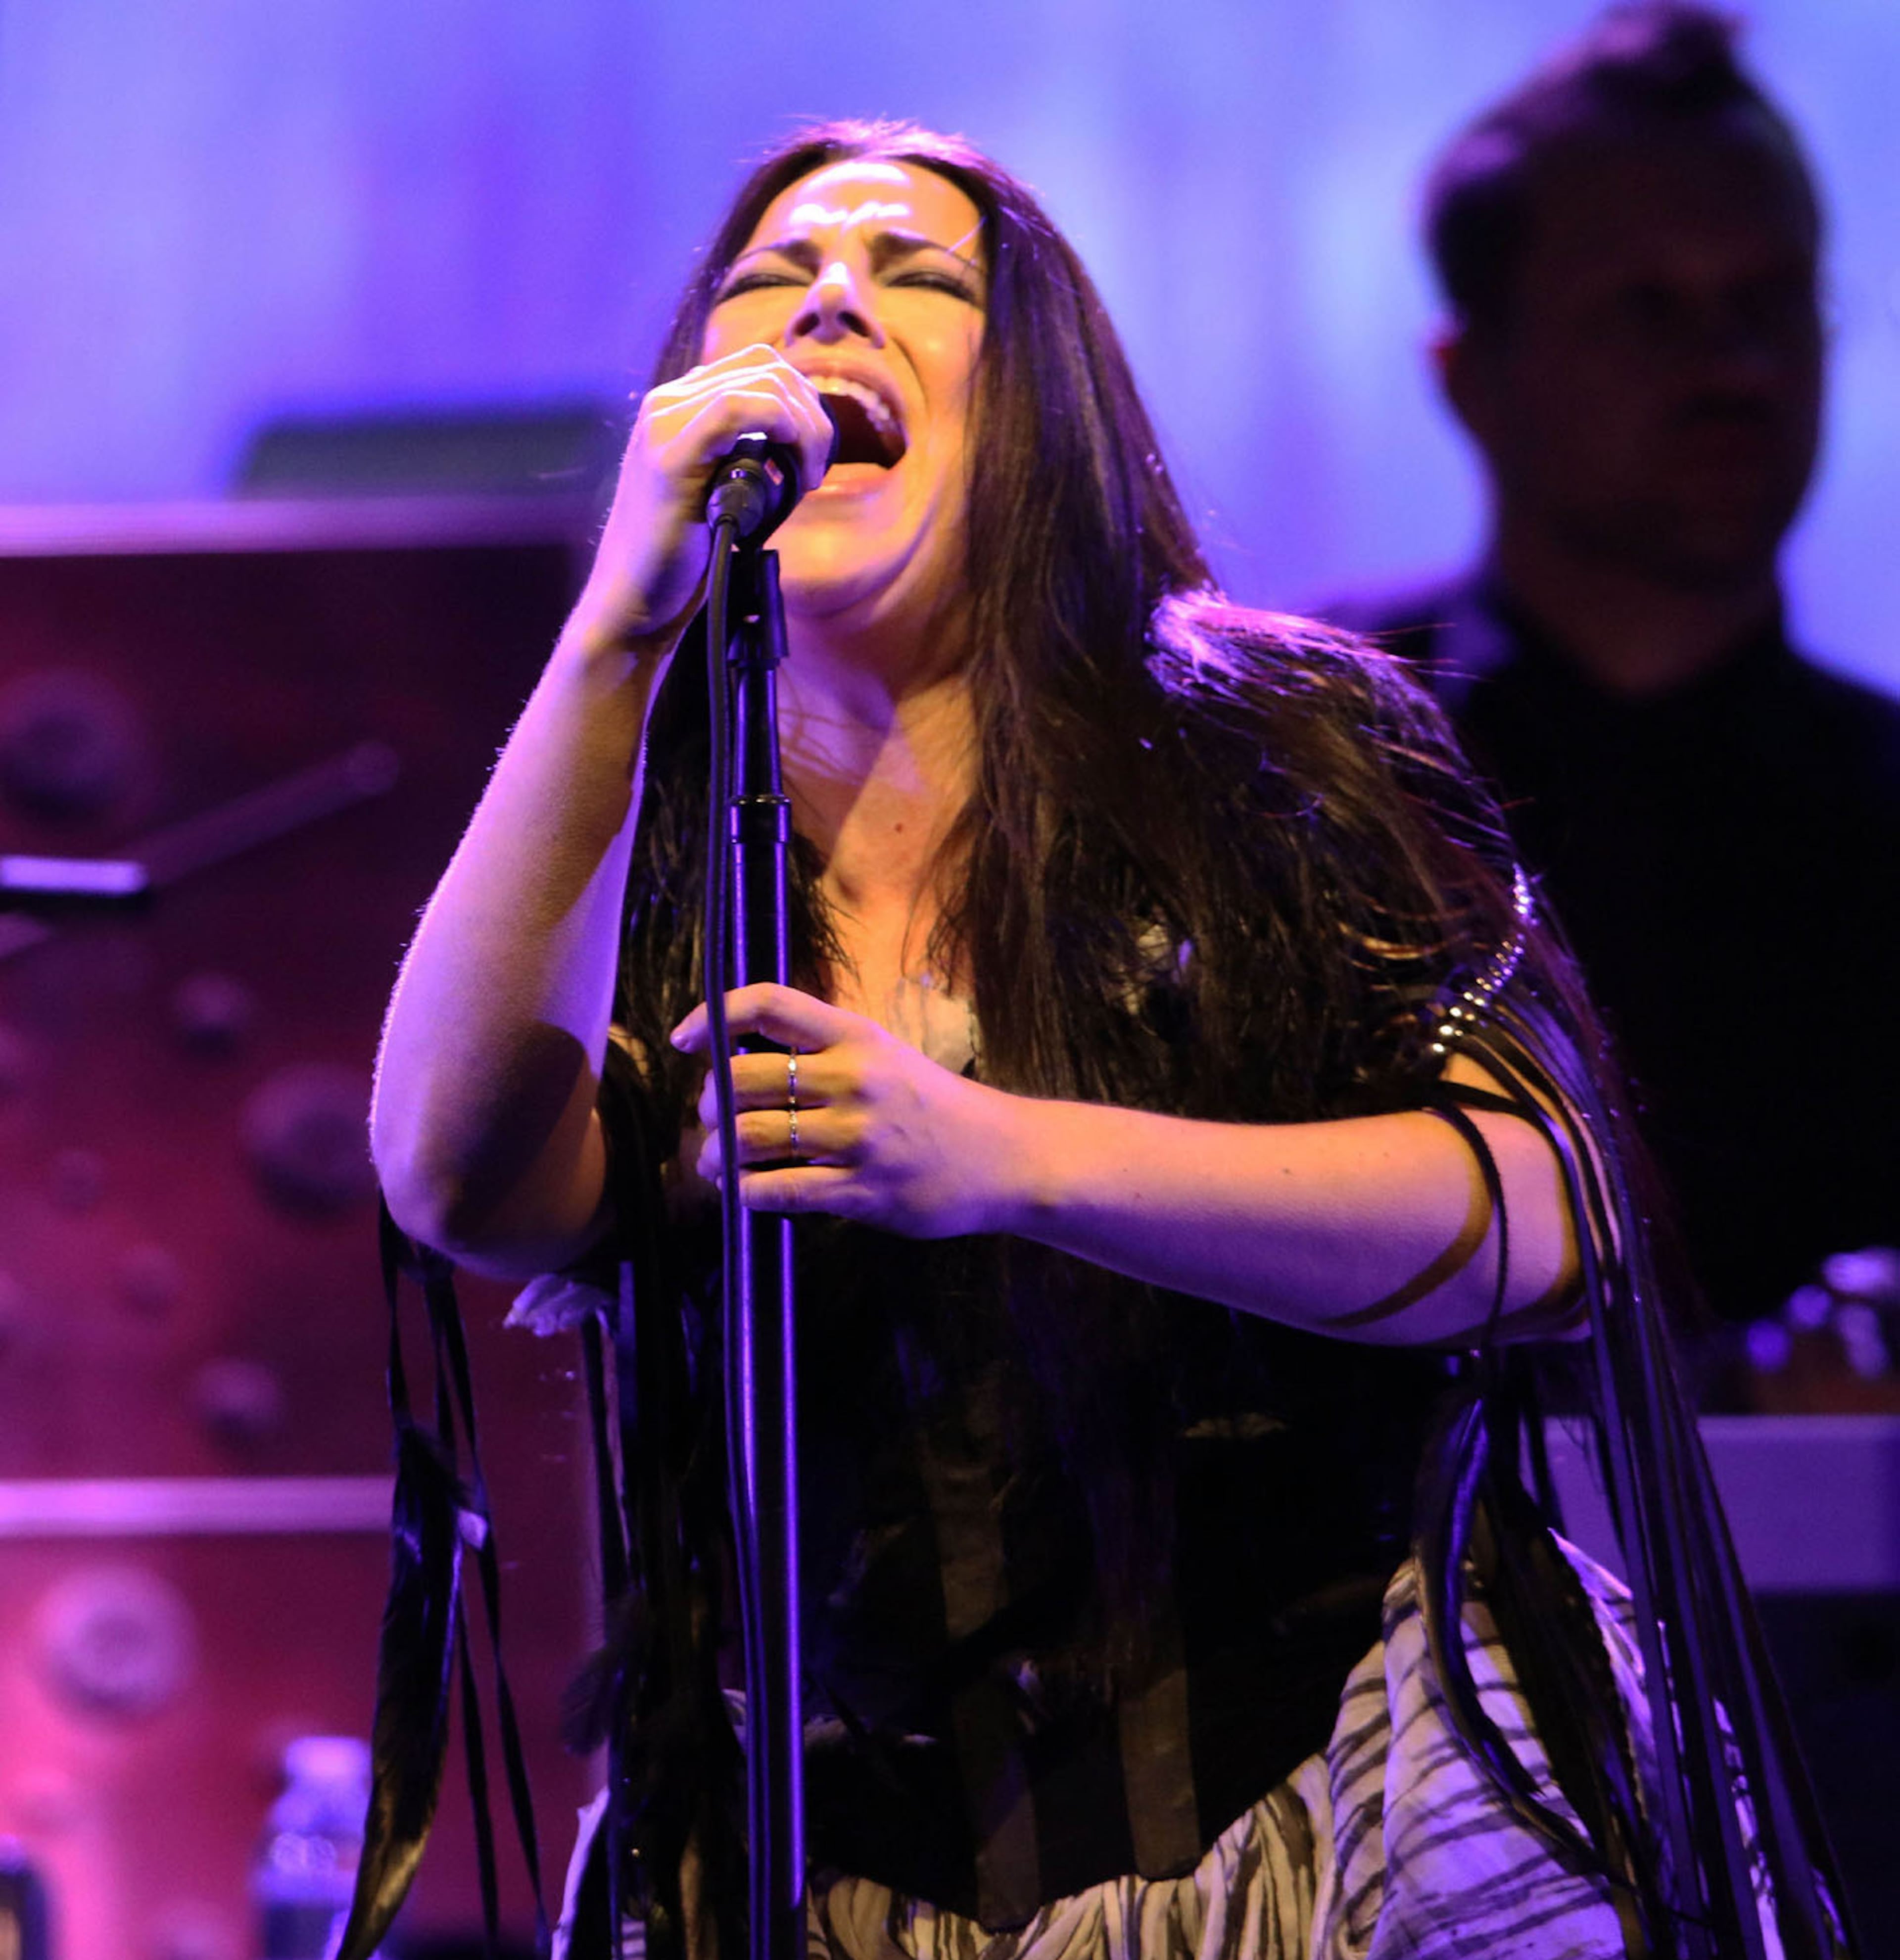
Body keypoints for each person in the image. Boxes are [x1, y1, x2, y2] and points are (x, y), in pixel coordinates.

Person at [360, 123, 1841, 1960]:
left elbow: (1551, 1212)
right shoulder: (633, 839)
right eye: (770, 276)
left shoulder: (1276, 753)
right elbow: (458, 1176)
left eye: (917, 274)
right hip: (836, 1882)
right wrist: (612, 629)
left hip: (1343, 1820)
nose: (829, 294)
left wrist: (997, 1154)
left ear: (1044, 405)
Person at [1326, 0, 1900, 1333]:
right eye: (1648, 310)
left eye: (1770, 303)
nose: (1735, 367)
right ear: (1471, 377)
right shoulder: (1301, 759)